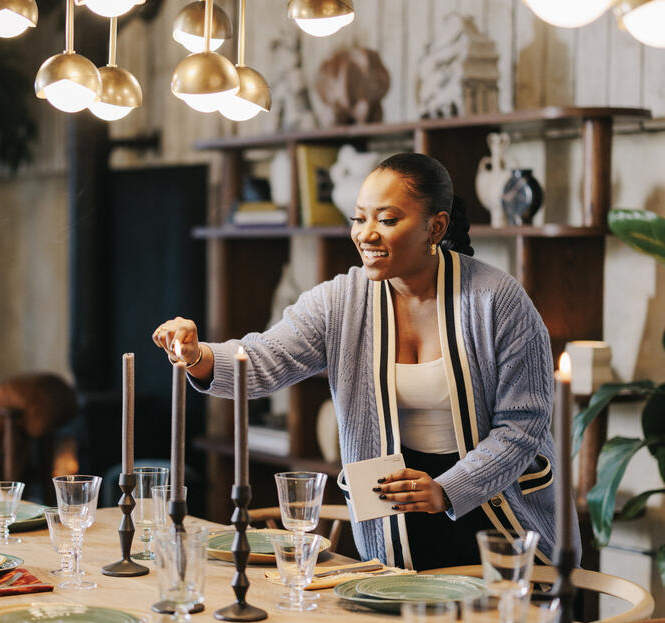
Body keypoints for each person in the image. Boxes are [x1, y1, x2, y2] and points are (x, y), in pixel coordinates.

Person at [153, 152, 579, 570]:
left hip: (498, 512)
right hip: (395, 515)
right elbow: (265, 358)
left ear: (436, 226)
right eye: (359, 218)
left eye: (387, 220)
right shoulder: (341, 301)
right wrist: (198, 355)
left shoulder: (497, 301)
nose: (366, 234)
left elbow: (523, 426)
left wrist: (447, 490)